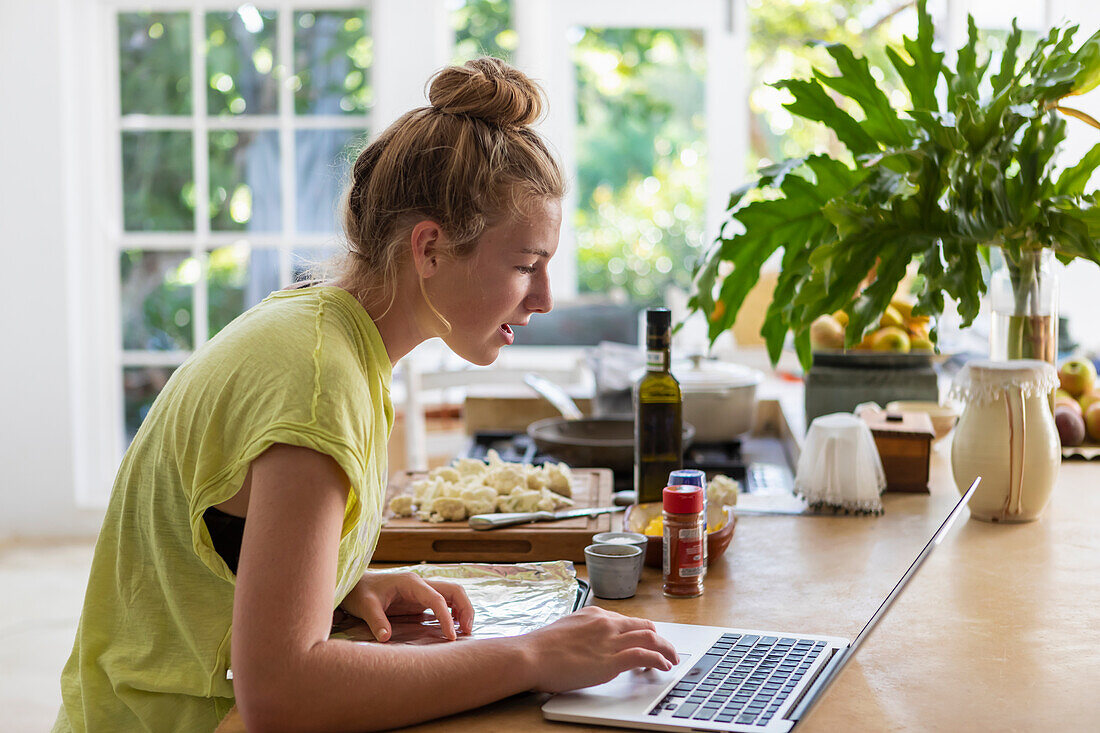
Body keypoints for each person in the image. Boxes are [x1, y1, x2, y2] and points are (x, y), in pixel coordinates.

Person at [54, 58, 678, 733]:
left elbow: (213, 548)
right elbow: (280, 692)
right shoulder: (318, 380)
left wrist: (344, 587)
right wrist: (533, 653)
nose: (546, 298)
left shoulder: (325, 335)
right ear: (430, 247)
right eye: (526, 265)